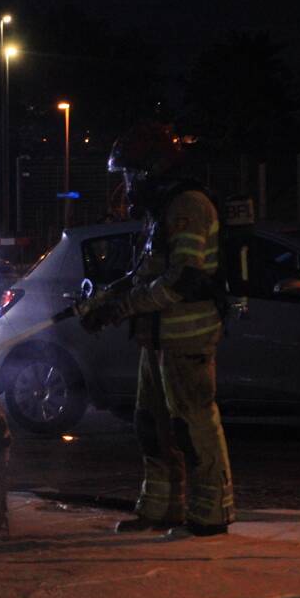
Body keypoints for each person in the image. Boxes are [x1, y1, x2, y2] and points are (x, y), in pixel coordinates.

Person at [77, 121, 234, 540]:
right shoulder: (161, 208)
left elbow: (182, 279)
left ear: (151, 169)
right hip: (158, 338)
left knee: (192, 424)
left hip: (186, 337)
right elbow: (146, 272)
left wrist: (124, 306)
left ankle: (209, 517)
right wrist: (106, 300)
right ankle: (160, 510)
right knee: (151, 424)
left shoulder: (188, 206)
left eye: (130, 173)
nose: (126, 184)